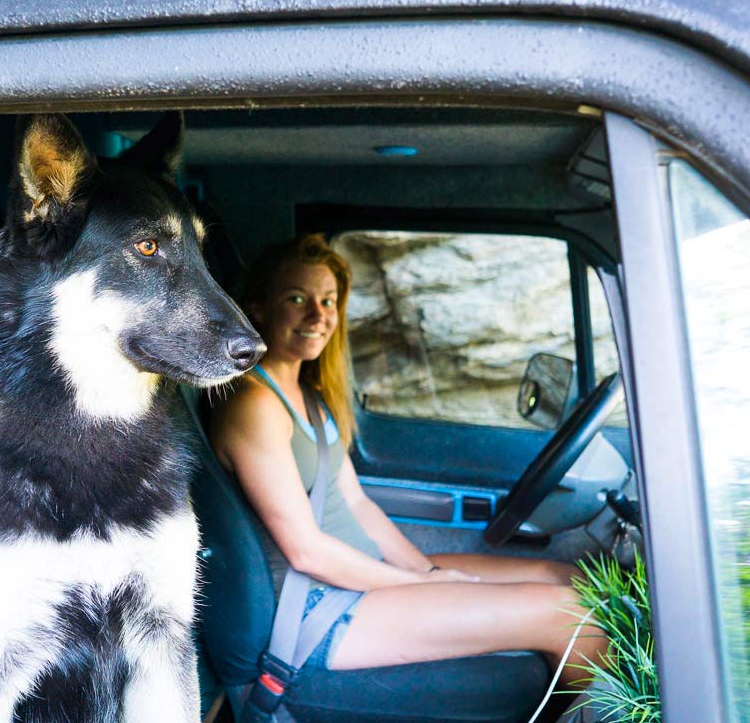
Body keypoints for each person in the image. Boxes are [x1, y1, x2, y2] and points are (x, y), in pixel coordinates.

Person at [207, 234, 604, 691]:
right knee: (570, 616)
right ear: (256, 309)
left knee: (570, 577)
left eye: (328, 301)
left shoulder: (310, 395)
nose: (318, 317)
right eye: (297, 299)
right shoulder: (253, 403)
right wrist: (413, 585)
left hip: (359, 574)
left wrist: (425, 572)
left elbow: (358, 505)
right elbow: (305, 550)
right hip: (318, 606)